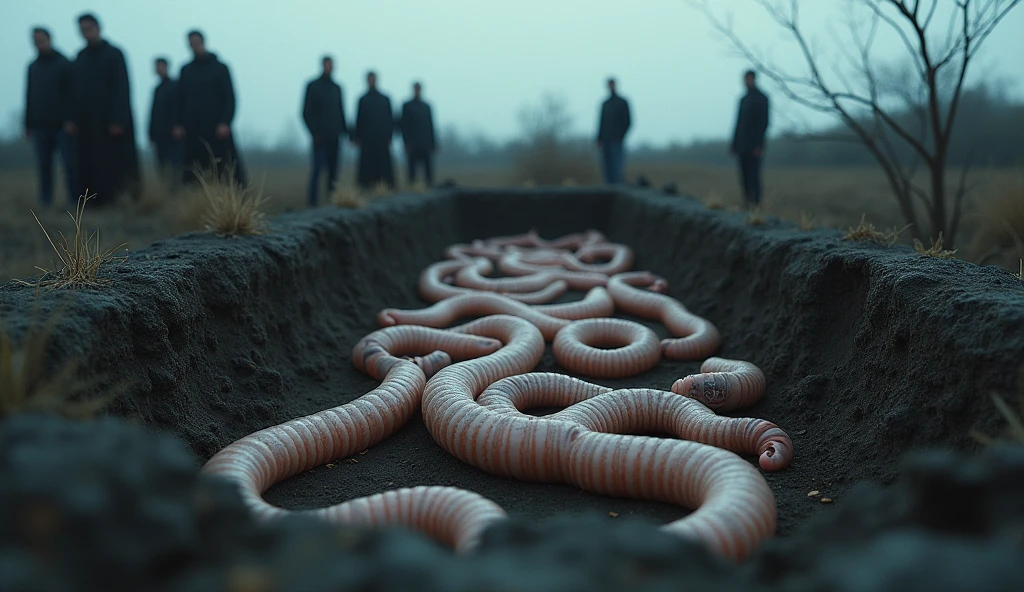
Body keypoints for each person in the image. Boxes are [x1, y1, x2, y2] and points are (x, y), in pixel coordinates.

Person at [67, 13, 141, 206]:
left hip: (111, 120)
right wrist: (73, 118)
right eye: (82, 30)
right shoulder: (80, 58)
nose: (86, 33)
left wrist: (118, 119)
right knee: (90, 161)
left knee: (116, 162)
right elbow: (75, 92)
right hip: (88, 121)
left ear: (98, 28)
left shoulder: (114, 54)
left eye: (89, 28)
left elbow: (122, 88)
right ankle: (94, 201)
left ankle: (120, 199)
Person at [173, 30, 246, 187]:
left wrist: (225, 122)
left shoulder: (220, 68)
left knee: (226, 168)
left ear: (203, 42)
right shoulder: (186, 70)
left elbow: (230, 98)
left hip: (217, 128)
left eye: (197, 43)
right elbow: (179, 100)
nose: (194, 46)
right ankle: (196, 202)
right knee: (194, 170)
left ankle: (233, 204)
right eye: (191, 44)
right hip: (193, 129)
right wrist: (179, 124)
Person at [24, 27, 76, 207]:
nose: (39, 44)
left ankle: (74, 200)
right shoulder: (33, 67)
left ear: (49, 39)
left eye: (41, 40)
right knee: (44, 166)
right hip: (40, 125)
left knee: (69, 164)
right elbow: (29, 96)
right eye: (35, 41)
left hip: (62, 125)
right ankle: (45, 200)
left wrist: (70, 119)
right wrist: (28, 124)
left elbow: (72, 95)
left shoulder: (64, 64)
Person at [302, 55, 347, 206]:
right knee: (317, 169)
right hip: (319, 137)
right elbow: (306, 112)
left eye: (331, 65)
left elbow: (341, 112)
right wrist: (314, 133)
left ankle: (331, 201)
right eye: (327, 64)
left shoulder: (337, 88)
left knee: (333, 172)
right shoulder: (313, 86)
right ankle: (312, 203)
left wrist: (346, 132)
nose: (329, 67)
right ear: (322, 65)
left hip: (335, 135)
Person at [730, 69, 770, 208]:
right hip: (742, 145)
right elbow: (738, 123)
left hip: (754, 146)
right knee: (744, 176)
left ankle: (756, 205)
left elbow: (764, 124)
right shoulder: (743, 99)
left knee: (754, 176)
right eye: (745, 79)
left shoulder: (762, 98)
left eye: (748, 79)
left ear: (754, 79)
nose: (746, 82)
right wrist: (734, 144)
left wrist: (759, 145)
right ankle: (746, 202)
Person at [352, 71, 396, 191]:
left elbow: (390, 119)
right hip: (367, 139)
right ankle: (365, 187)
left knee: (384, 166)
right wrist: (356, 137)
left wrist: (390, 136)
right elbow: (358, 119)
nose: (371, 81)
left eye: (373, 79)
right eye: (369, 79)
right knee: (367, 168)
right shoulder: (363, 100)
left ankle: (386, 187)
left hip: (382, 139)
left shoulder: (384, 99)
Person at [148, 57, 182, 188]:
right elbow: (153, 112)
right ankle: (165, 191)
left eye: (161, 66)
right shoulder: (157, 89)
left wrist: (179, 125)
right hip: (159, 134)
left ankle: (176, 191)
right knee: (161, 165)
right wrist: (151, 133)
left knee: (174, 165)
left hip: (173, 134)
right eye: (157, 67)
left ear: (167, 67)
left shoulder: (175, 86)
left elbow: (180, 107)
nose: (159, 69)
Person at [399, 82, 437, 187]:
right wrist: (405, 142)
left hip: (425, 143)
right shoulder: (407, 106)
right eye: (416, 89)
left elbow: (430, 125)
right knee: (411, 170)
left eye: (419, 89)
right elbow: (403, 125)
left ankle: (430, 187)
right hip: (412, 143)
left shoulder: (426, 107)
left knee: (428, 169)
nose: (417, 91)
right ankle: (412, 188)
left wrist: (433, 143)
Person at [595, 77, 631, 185]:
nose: (610, 87)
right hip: (605, 140)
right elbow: (601, 122)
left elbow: (628, 122)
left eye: (612, 84)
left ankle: (617, 186)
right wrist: (599, 138)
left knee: (617, 166)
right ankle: (609, 187)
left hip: (616, 141)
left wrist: (620, 136)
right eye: (609, 85)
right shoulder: (605, 104)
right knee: (606, 166)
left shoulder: (622, 102)